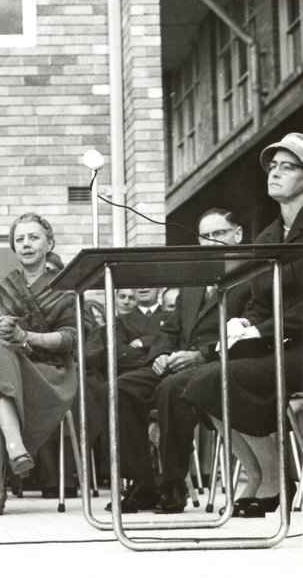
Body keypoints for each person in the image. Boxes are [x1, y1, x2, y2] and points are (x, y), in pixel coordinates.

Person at [183, 133, 303, 516]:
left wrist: (260, 332)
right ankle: (258, 473)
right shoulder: (268, 235)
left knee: (228, 378)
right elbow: (256, 298)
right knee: (202, 380)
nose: (275, 172)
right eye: (272, 166)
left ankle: (272, 479)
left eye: (288, 166)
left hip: (298, 345)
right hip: (276, 346)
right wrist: (242, 325)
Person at [110, 208, 250, 514]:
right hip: (180, 363)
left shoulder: (251, 276)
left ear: (237, 235)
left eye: (220, 234)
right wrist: (159, 355)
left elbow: (250, 332)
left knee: (171, 388)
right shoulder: (193, 281)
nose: (212, 243)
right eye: (206, 237)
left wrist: (202, 354)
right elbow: (171, 328)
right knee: (122, 387)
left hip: (220, 363)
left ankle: (173, 485)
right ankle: (142, 482)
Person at [0, 212, 80, 516]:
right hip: (7, 369)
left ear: (49, 243)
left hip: (49, 373)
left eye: (33, 237)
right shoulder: (2, 287)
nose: (26, 244)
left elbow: (70, 338)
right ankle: (15, 452)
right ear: (13, 247)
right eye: (19, 239)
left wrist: (26, 336)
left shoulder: (66, 286)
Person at [116, 287, 167, 373]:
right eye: (138, 282)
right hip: (131, 375)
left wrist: (142, 342)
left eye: (149, 283)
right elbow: (119, 354)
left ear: (159, 288)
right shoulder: (120, 320)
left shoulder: (171, 316)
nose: (143, 287)